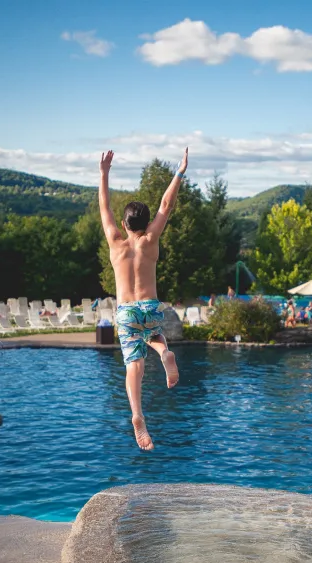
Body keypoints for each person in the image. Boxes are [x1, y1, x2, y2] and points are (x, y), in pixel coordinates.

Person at [99, 148, 186, 451]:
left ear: (124, 225)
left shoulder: (115, 242)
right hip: (150, 307)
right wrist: (179, 171)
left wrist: (104, 173)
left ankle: (138, 415)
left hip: (126, 312)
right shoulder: (151, 241)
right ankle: (164, 353)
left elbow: (104, 207)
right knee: (155, 334)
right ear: (147, 224)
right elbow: (166, 203)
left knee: (133, 366)